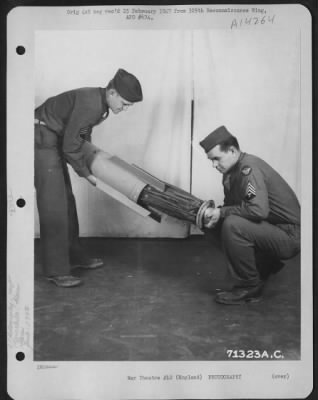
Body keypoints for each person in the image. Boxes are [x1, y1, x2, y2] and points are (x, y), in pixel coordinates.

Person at [34, 68, 143, 288]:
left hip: (54, 136)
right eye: (124, 102)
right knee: (53, 205)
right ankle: (56, 270)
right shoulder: (92, 104)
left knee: (66, 201)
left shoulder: (100, 103)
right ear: (112, 92)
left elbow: (80, 135)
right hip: (41, 138)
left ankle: (73, 254)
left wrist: (92, 156)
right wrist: (87, 174)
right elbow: (71, 147)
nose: (125, 108)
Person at [199, 126, 300, 305]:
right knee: (215, 225)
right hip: (273, 229)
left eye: (216, 159)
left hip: (290, 235)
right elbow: (236, 207)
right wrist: (215, 214)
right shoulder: (231, 172)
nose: (214, 165)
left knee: (232, 225)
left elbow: (257, 210)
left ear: (232, 151)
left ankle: (249, 287)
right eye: (211, 160)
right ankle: (265, 264)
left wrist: (221, 212)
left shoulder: (248, 170)